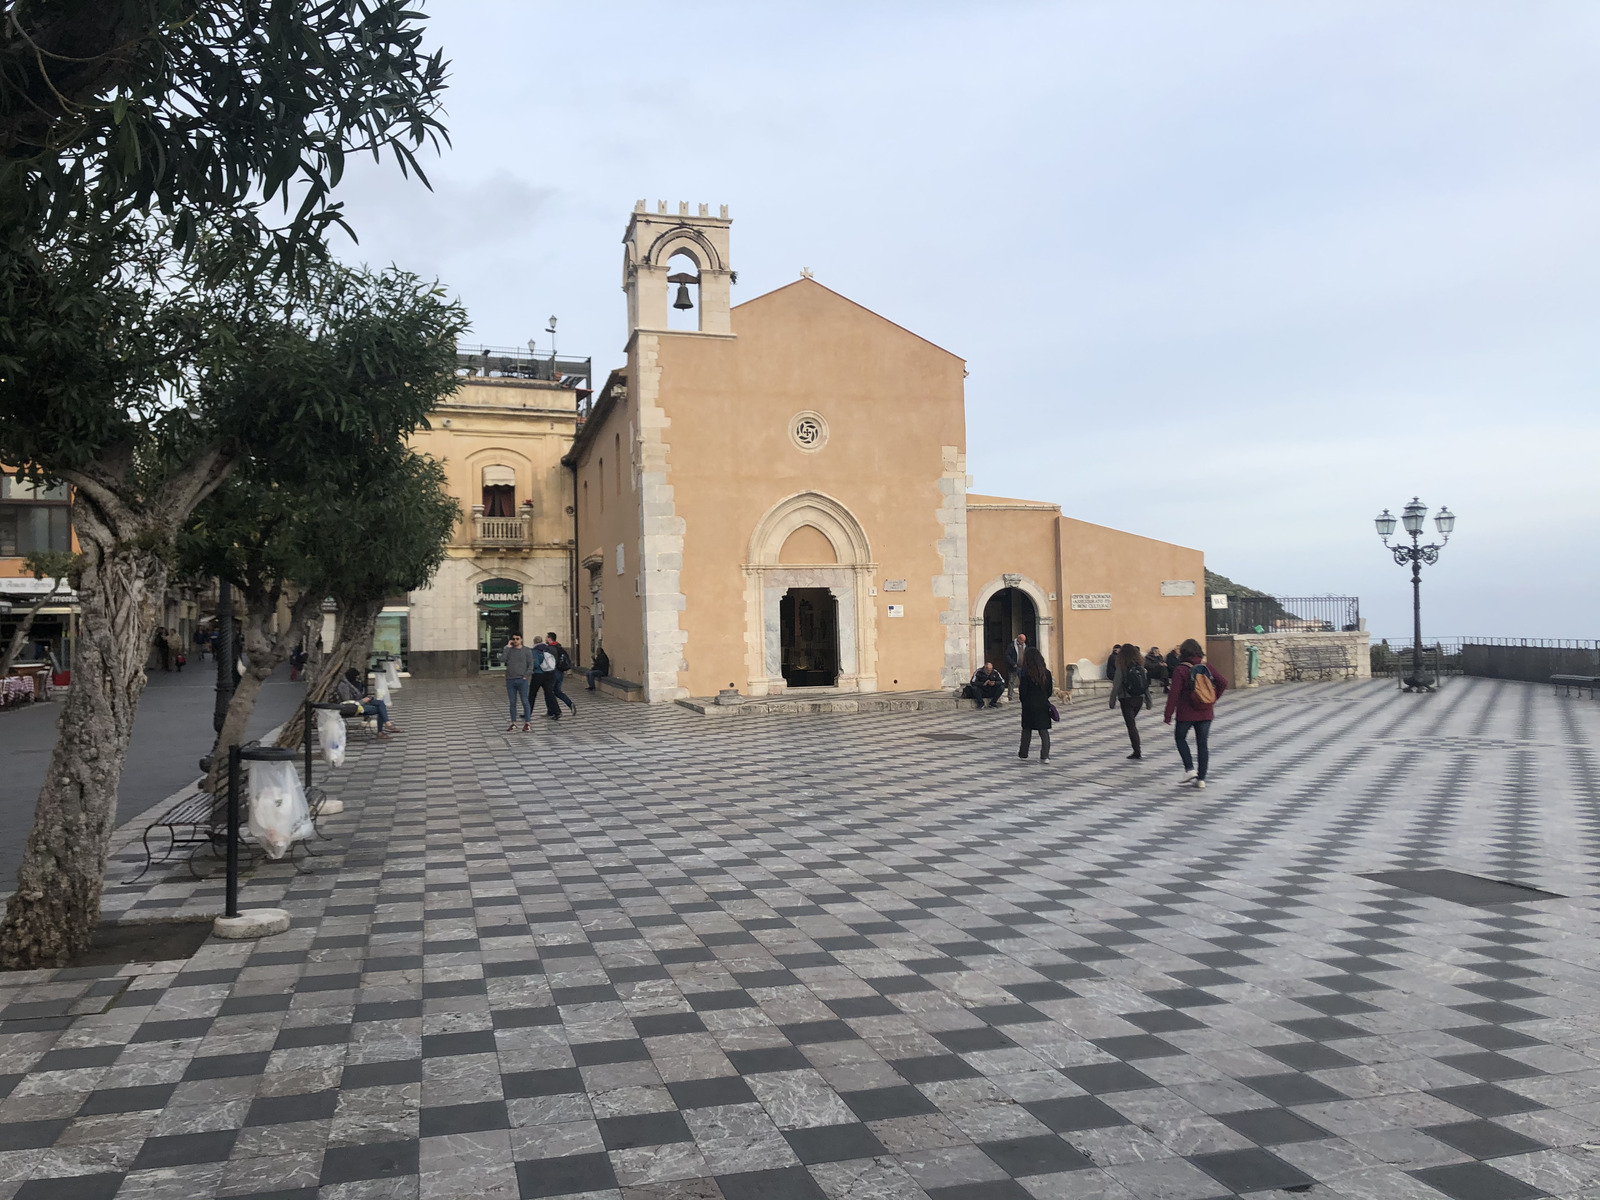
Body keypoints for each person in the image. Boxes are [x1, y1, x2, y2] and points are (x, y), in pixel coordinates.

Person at [1164, 637, 1228, 789]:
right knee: (1202, 744)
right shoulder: (1206, 666)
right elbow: (1223, 682)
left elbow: (1174, 694)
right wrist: (1212, 699)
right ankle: (1201, 779)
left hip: (1186, 712)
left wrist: (1168, 714)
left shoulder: (1180, 669)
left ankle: (1189, 769)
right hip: (1205, 712)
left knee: (1180, 738)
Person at [1109, 643, 1152, 759]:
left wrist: (1112, 701)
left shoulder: (1121, 667)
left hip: (1126, 699)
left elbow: (1116, 684)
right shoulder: (1140, 667)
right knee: (1132, 723)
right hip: (1139, 698)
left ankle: (1137, 751)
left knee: (1131, 725)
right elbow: (1145, 684)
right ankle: (1136, 749)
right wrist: (1148, 700)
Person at [334, 667, 397, 738]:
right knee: (380, 709)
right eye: (356, 677)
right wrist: (362, 701)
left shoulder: (354, 684)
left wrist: (363, 691)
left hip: (360, 702)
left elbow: (359, 694)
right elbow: (347, 702)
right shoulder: (343, 686)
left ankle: (387, 724)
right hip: (353, 707)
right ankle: (383, 729)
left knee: (380, 703)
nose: (357, 679)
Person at [1017, 646, 1054, 762]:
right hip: (1042, 705)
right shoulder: (1046, 673)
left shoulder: (1025, 674)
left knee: (1027, 730)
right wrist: (1043, 699)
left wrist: (1024, 701)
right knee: (1043, 731)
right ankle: (1045, 755)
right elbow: (1049, 690)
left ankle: (1023, 753)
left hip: (1029, 705)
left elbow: (1023, 691)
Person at [502, 634, 535, 731]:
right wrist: (507, 648)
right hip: (510, 680)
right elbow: (502, 659)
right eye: (513, 639)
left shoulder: (526, 650)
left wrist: (526, 675)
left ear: (521, 639)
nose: (515, 640)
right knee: (512, 702)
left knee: (525, 701)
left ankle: (527, 723)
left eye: (517, 639)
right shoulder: (509, 650)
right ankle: (513, 722)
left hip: (522, 680)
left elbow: (530, 665)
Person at [530, 635, 562, 720]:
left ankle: (528, 712)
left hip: (538, 674)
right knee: (549, 693)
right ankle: (557, 711)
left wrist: (530, 667)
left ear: (534, 642)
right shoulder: (547, 648)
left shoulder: (535, 651)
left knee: (532, 694)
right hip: (548, 674)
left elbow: (536, 664)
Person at [544, 632, 576, 716]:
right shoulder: (559, 647)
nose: (545, 639)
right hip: (560, 672)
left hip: (553, 672)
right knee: (557, 691)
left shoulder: (550, 648)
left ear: (550, 638)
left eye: (546, 637)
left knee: (549, 691)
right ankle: (570, 704)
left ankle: (553, 711)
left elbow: (548, 661)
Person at [1004, 631, 1028, 701]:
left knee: (1023, 681)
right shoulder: (1011, 646)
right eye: (1022, 640)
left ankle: (1023, 694)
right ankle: (1010, 695)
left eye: (1024, 641)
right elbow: (1007, 656)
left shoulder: (1025, 646)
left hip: (1022, 667)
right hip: (1014, 666)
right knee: (1011, 681)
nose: (1023, 642)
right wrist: (1013, 663)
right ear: (1018, 639)